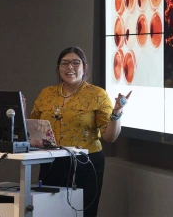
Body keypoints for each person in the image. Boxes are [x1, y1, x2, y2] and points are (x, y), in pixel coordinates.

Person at [27, 46, 131, 217]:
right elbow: (33, 130)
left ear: (84, 67)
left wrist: (117, 112)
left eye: (76, 63)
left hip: (85, 163)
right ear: (58, 68)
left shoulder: (97, 94)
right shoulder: (47, 93)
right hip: (51, 162)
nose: (70, 68)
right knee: (48, 211)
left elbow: (109, 137)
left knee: (82, 213)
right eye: (65, 63)